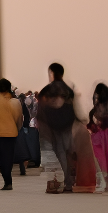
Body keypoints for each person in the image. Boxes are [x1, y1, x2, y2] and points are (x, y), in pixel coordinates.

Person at [37, 63, 77, 192]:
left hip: (55, 127)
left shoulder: (48, 90)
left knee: (60, 153)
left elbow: (42, 109)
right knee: (68, 153)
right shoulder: (69, 90)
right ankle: (69, 182)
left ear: (52, 73)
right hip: (67, 126)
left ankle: (65, 182)